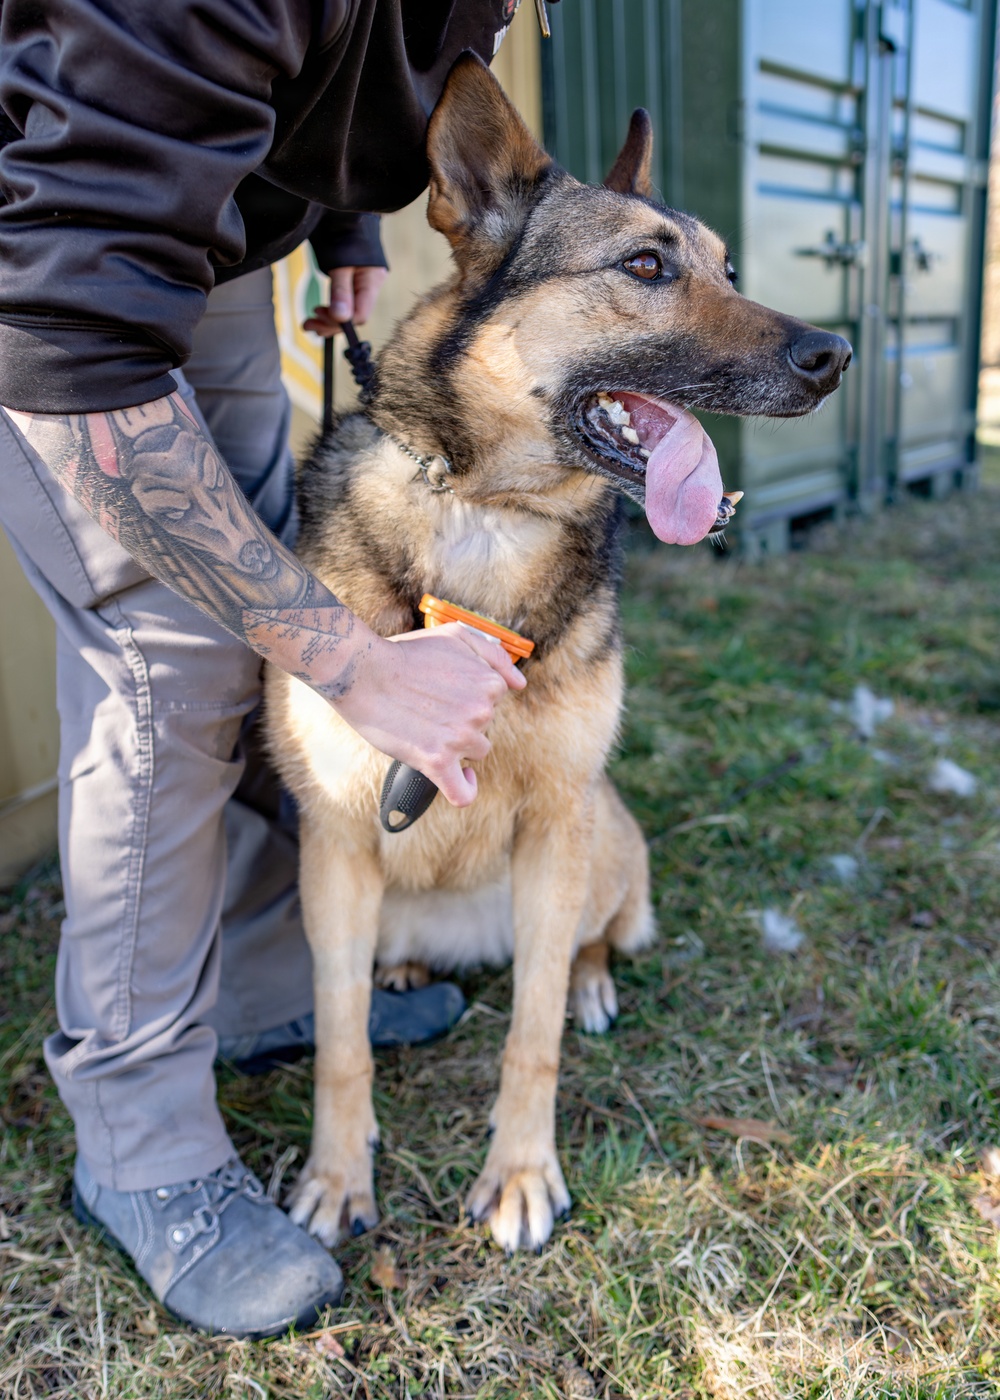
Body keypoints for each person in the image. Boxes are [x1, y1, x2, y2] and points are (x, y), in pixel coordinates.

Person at [0, 0, 534, 1339]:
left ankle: (242, 971)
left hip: (212, 225)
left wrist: (336, 213)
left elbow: (329, 64)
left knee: (250, 607)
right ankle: (141, 1143)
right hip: (52, 265)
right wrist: (354, 661)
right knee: (168, 659)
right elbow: (76, 346)